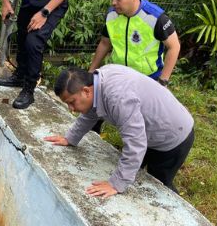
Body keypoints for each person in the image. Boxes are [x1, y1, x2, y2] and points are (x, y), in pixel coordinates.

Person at [43, 66, 194, 196]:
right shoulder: (98, 82)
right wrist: (70, 138)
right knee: (138, 175)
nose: (71, 109)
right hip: (151, 130)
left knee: (159, 185)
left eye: (71, 102)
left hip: (173, 136)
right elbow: (90, 112)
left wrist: (116, 184)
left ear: (86, 91)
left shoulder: (118, 98)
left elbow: (136, 143)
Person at [87, 0, 181, 133]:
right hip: (117, 76)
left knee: (143, 125)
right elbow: (104, 43)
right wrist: (91, 71)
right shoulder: (112, 15)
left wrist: (163, 82)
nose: (113, 2)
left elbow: (174, 46)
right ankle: (92, 136)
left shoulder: (155, 18)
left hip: (147, 79)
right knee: (96, 102)